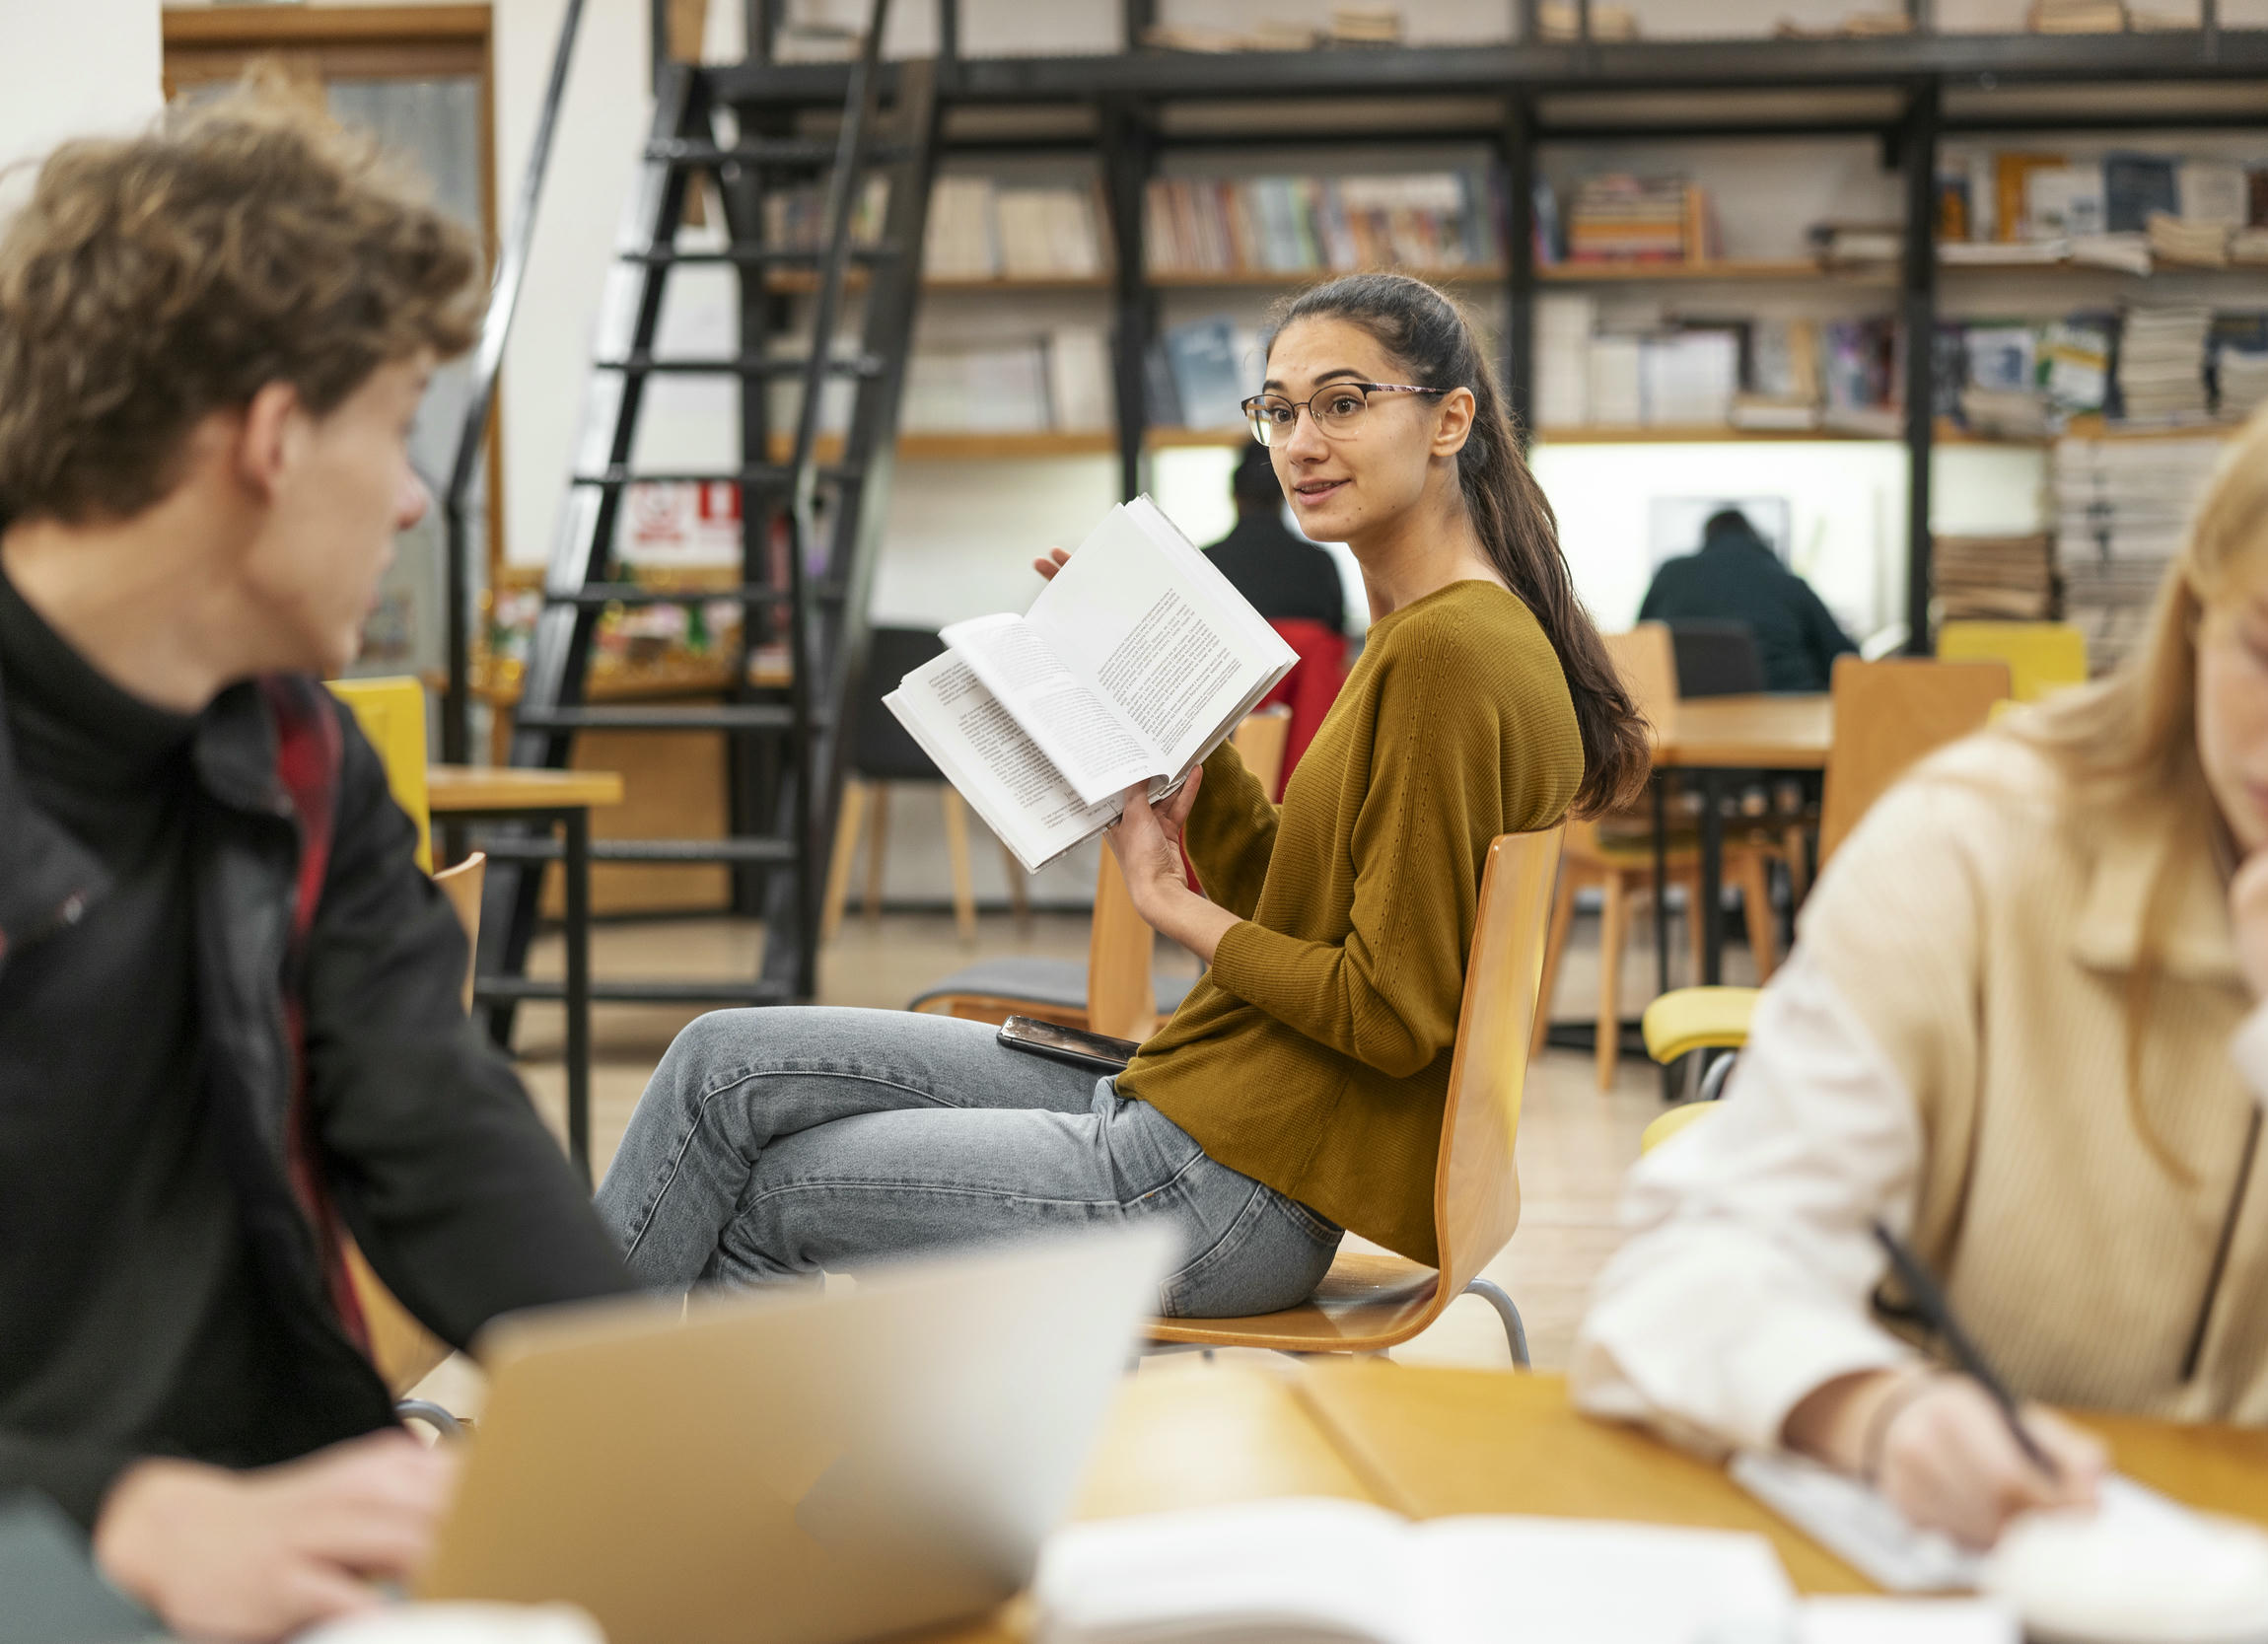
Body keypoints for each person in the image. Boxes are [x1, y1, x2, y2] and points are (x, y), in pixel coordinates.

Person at [596, 272, 1650, 1313]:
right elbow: (1305, 900)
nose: (1299, 443)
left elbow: (1387, 1014)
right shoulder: (1434, 629)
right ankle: (612, 1444)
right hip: (1203, 1112)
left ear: (1448, 420)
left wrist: (1171, 905)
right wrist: (1185, 743)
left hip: (1224, 1185)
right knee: (720, 1061)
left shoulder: (1449, 654)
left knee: (774, 1187)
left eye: (1342, 402)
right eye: (1278, 410)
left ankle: (583, 1450)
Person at [1573, 326, 2268, 1549]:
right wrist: (1873, 1409)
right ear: (2196, 609)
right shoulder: (1974, 843)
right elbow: (1684, 1273)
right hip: (1986, 1573)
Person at [0, 93, 634, 1639]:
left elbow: (436, 1130)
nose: (414, 495)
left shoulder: (299, 750)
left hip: (295, 1500)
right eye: (400, 423)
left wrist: (684, 1431)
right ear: (275, 437)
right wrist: (115, 1514)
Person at [1639, 507, 1857, 692]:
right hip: (1787, 715)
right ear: (1755, 538)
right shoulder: (1787, 581)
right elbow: (1843, 657)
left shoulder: (1670, 574)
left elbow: (1638, 644)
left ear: (1707, 539)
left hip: (1686, 721)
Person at [1203, 441, 1349, 633]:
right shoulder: (1319, 563)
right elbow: (1337, 642)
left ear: (1235, 496)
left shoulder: (1204, 566)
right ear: (1283, 498)